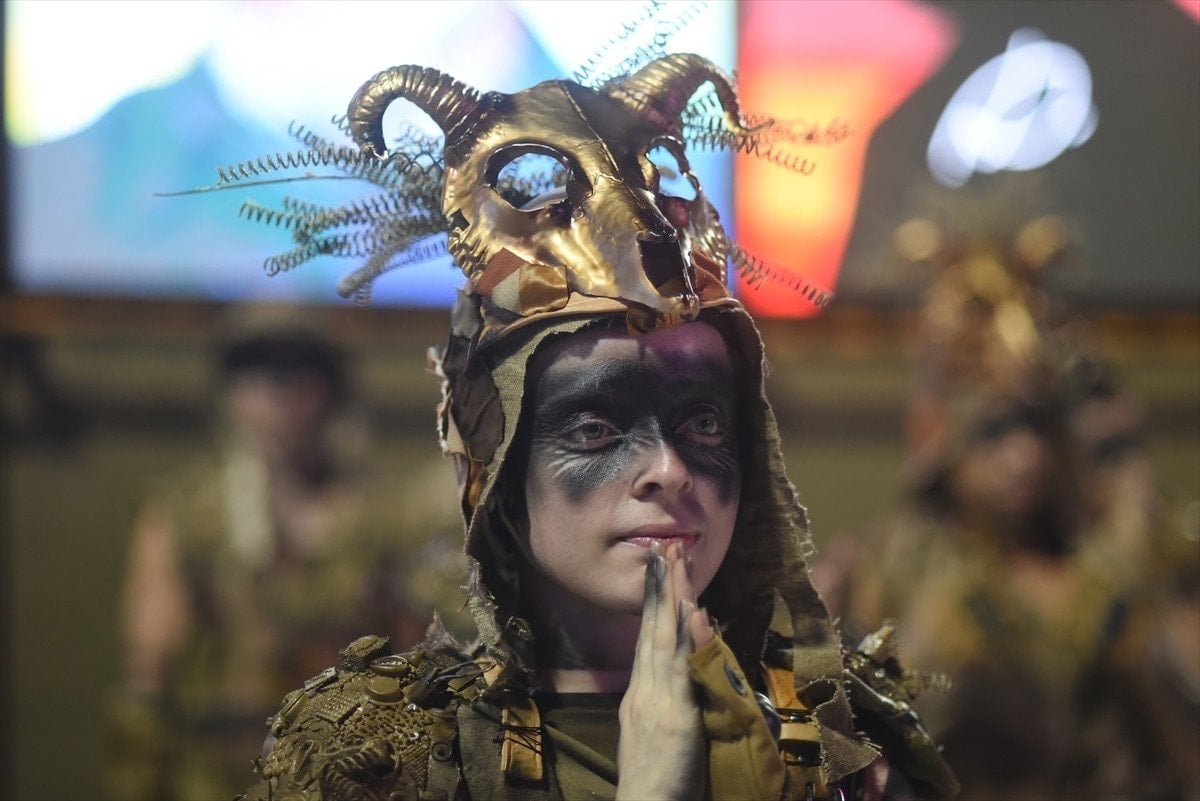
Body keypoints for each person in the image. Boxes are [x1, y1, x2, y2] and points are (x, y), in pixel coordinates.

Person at [210, 52, 959, 800]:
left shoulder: (844, 748)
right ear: (497, 468)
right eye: (596, 428)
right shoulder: (383, 764)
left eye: (703, 421)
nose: (668, 469)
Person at [814, 209, 1200, 801]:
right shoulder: (889, 568)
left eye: (1034, 427)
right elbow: (841, 756)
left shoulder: (1105, 568)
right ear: (946, 443)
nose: (1024, 456)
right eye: (994, 432)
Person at [107, 309, 468, 801]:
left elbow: (416, 657)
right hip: (220, 771)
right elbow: (148, 673)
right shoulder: (189, 516)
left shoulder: (384, 516)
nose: (278, 390)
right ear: (229, 393)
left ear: (330, 390)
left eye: (299, 370)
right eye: (255, 371)